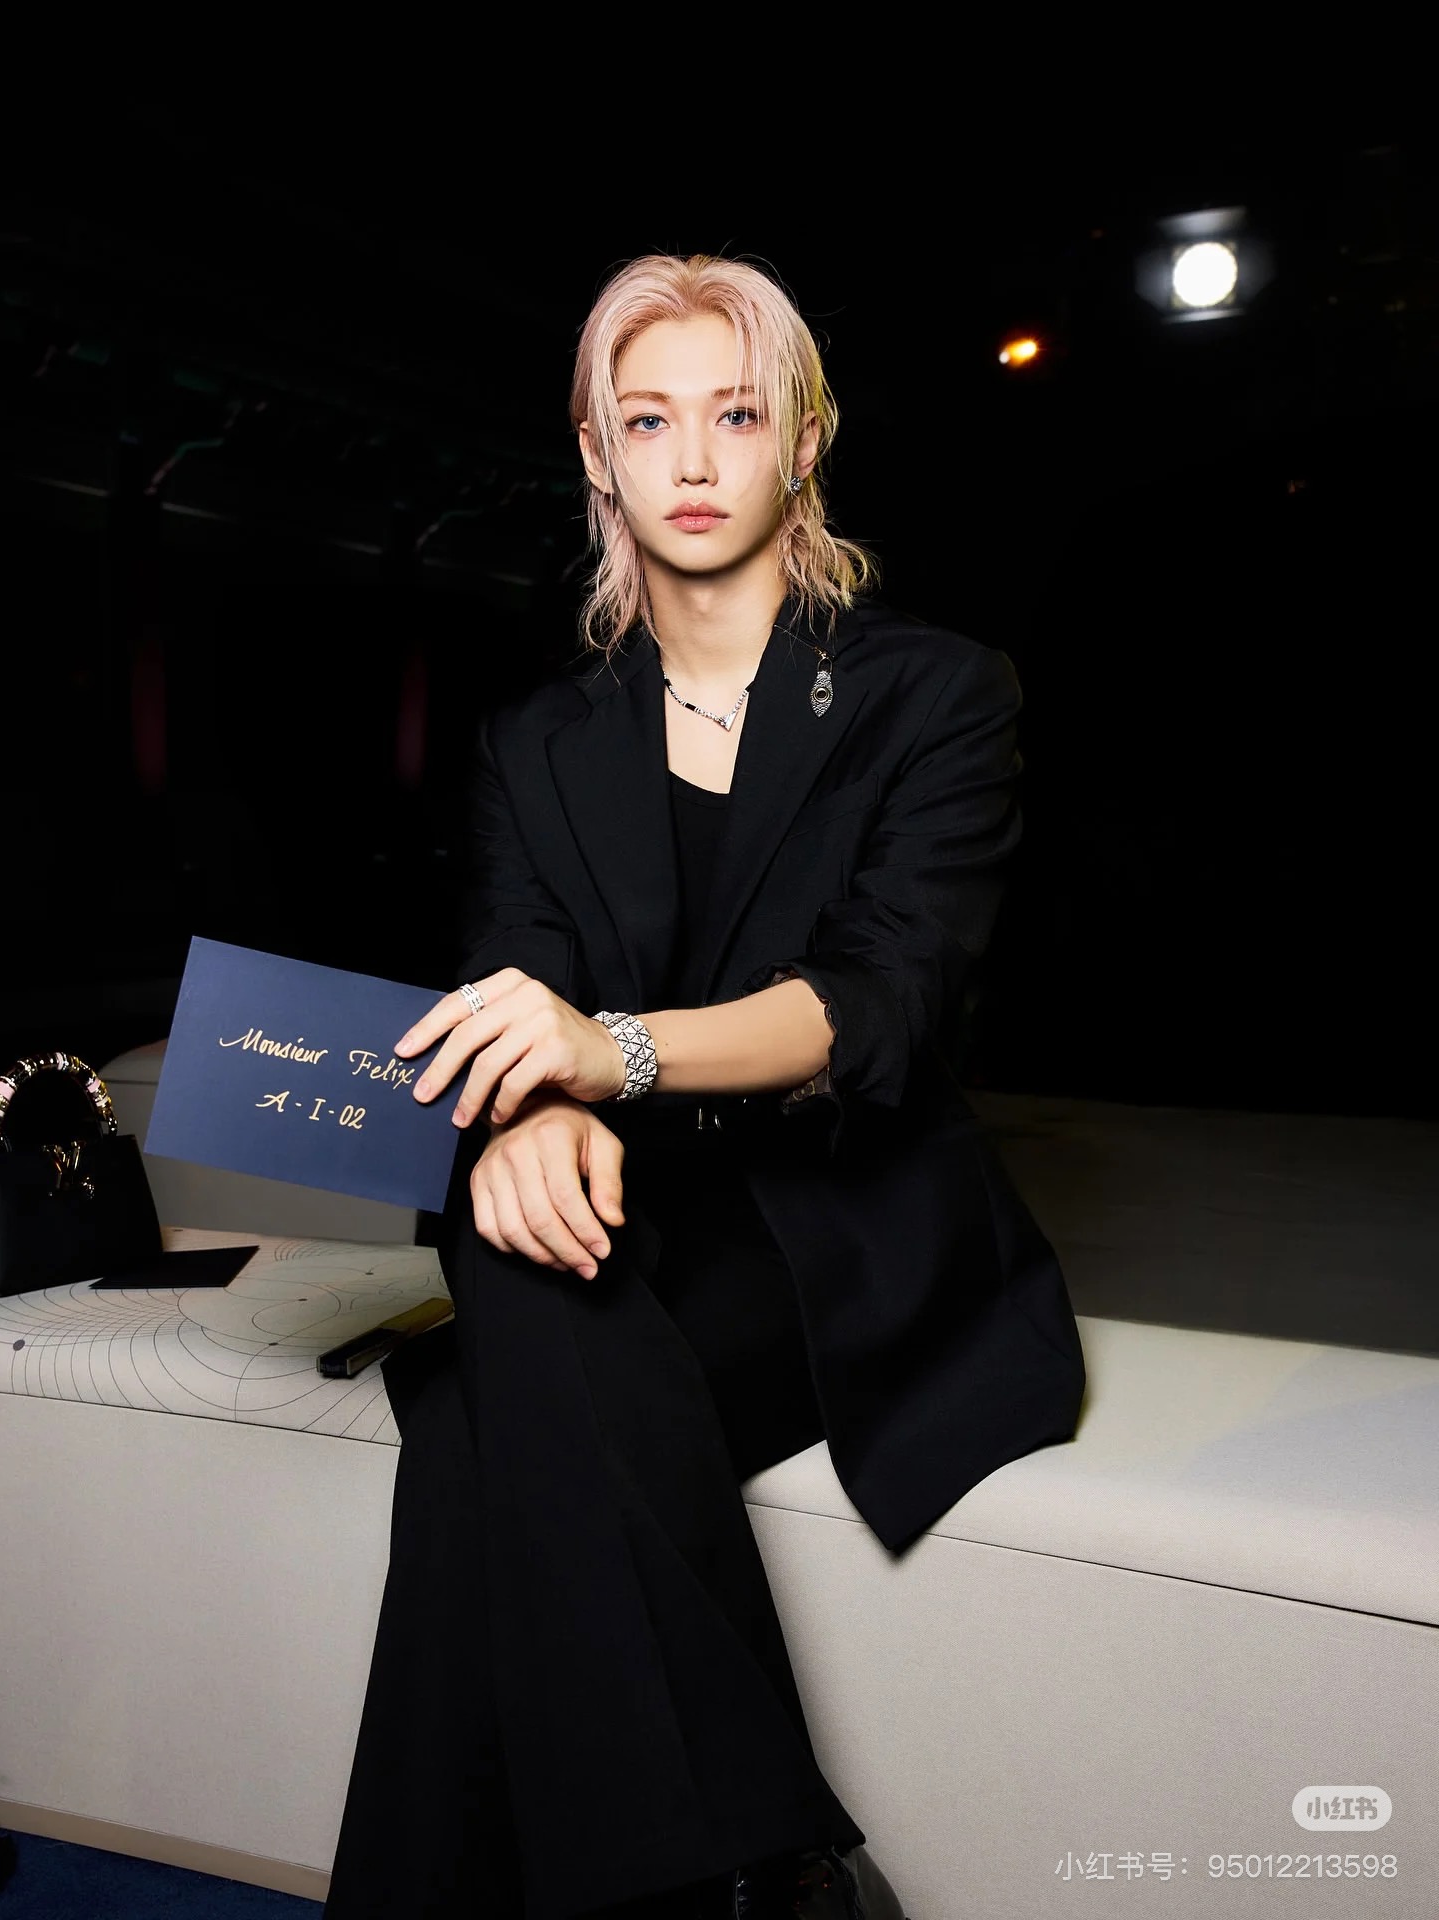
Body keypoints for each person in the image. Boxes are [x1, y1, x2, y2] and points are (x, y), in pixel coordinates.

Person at [321, 253, 1087, 1920]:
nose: (689, 459)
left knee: (479, 1413)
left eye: (734, 417)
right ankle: (761, 1870)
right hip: (641, 1214)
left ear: (801, 443)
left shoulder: (934, 694)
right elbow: (516, 966)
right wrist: (532, 1110)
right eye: (647, 419)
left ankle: (719, 1868)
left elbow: (883, 1005)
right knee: (512, 1281)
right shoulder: (541, 738)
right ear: (596, 453)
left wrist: (609, 1054)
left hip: (853, 1235)